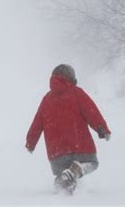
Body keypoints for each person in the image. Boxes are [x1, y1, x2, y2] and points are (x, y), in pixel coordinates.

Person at [25, 64, 111, 194]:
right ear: (71, 77)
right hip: (80, 146)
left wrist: (30, 143)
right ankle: (78, 169)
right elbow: (91, 112)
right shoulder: (77, 93)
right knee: (92, 163)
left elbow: (37, 123)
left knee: (64, 174)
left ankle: (62, 188)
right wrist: (102, 129)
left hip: (56, 152)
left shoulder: (47, 99)